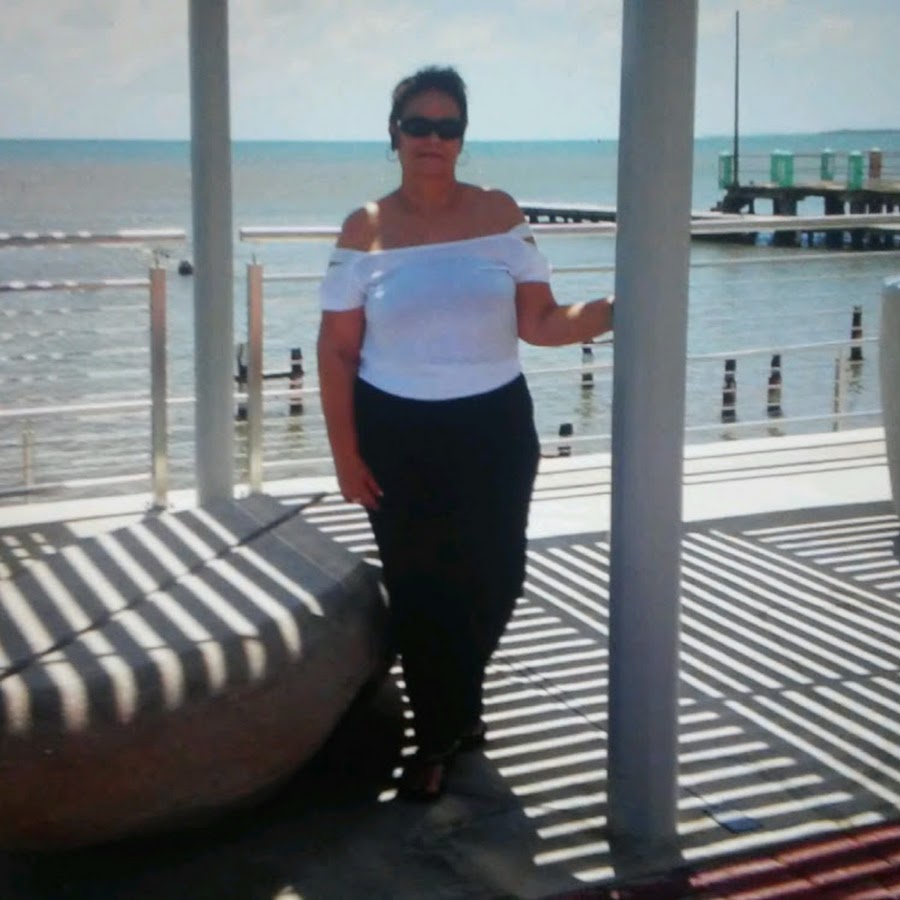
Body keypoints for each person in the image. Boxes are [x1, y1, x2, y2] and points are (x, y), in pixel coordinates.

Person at [317, 65, 613, 801]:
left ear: (462, 139)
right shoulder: (362, 228)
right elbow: (338, 351)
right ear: (394, 134)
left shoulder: (499, 212)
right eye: (419, 124)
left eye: (447, 127)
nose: (433, 138)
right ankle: (438, 736)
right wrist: (345, 454)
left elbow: (540, 323)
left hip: (493, 427)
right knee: (421, 587)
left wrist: (615, 308)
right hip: (396, 431)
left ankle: (453, 707)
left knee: (497, 577)